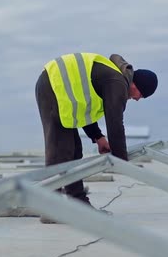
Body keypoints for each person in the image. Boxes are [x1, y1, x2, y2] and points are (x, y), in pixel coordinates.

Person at [35, 52, 158, 223]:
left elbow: (84, 110)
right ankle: (50, 208)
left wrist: (98, 138)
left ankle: (78, 204)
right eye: (141, 95)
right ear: (136, 85)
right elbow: (115, 123)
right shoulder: (118, 83)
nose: (137, 99)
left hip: (59, 89)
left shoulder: (112, 78)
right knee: (60, 149)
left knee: (74, 151)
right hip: (52, 86)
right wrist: (120, 160)